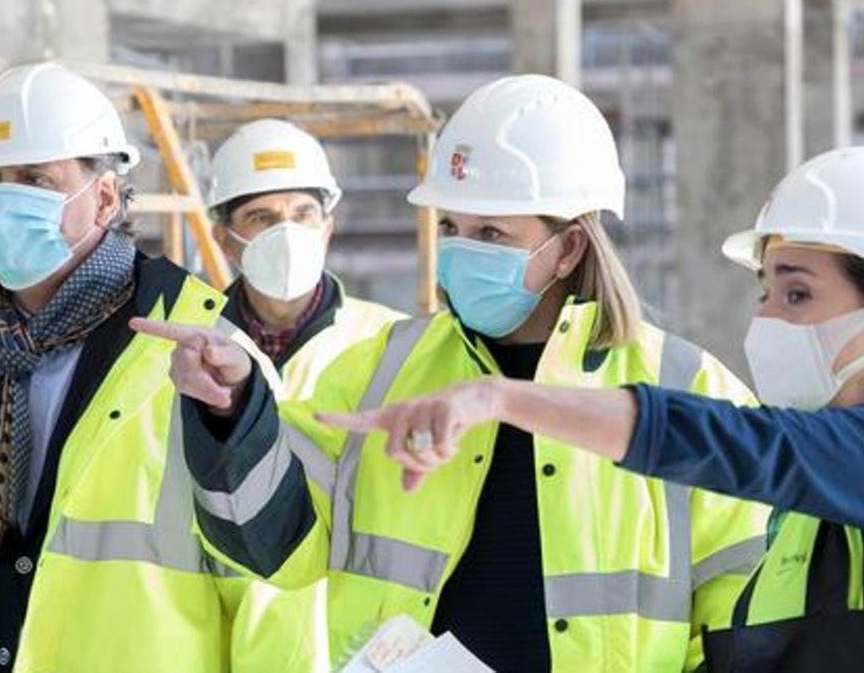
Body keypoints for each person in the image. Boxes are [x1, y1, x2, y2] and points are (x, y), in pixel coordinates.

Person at [134, 75, 769, 671]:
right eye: (451, 227)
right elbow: (274, 547)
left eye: (490, 230)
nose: (461, 249)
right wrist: (235, 410)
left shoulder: (687, 389)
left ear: (569, 247)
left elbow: (743, 614)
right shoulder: (382, 369)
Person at [319, 146, 864, 643]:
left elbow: (734, 442)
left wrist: (502, 399)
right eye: (766, 291)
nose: (766, 320)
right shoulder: (842, 483)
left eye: (797, 293)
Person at [0, 63, 237, 671]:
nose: (7, 201)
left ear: (106, 197)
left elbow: (268, 586)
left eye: (36, 178)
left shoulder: (196, 356)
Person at [206, 119, 403, 671]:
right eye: (262, 218)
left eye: (302, 214)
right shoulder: (190, 353)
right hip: (235, 653)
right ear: (224, 237)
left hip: (356, 653)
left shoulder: (392, 346)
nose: (286, 231)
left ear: (327, 227)